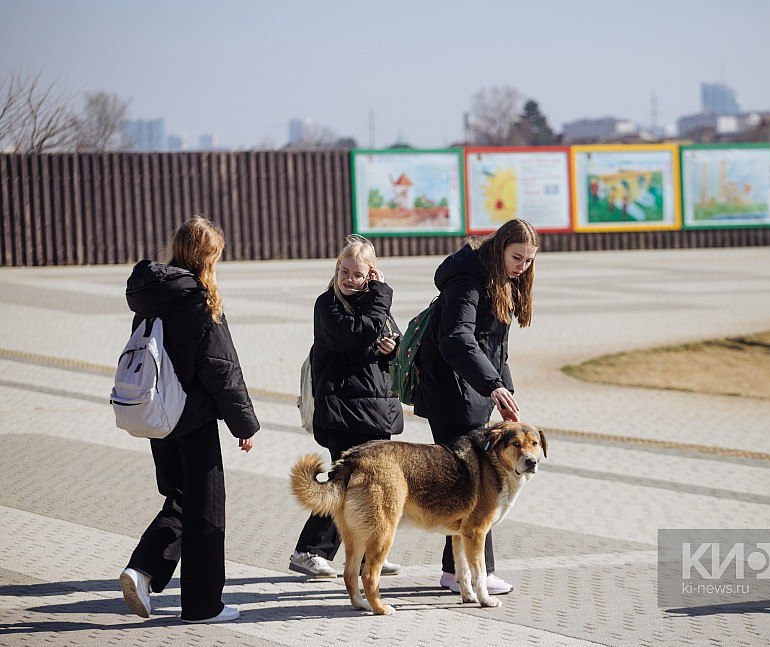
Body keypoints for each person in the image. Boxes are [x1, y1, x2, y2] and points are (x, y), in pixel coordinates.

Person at [118, 216, 259, 624]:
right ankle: (202, 606)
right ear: (207, 257)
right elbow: (221, 369)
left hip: (158, 418)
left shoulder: (152, 296)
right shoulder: (200, 301)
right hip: (193, 421)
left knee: (180, 499)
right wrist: (245, 426)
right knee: (206, 511)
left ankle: (143, 570)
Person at [412, 218, 539, 596]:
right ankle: (473, 574)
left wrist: (505, 393)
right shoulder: (467, 279)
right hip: (451, 392)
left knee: (472, 485)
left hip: (474, 390)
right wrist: (493, 385)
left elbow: (495, 346)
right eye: (517, 257)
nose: (522, 266)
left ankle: (456, 572)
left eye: (530, 261)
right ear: (499, 249)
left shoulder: (502, 281)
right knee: (479, 484)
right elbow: (458, 340)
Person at [288, 235, 405, 578]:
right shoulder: (328, 304)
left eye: (358, 273)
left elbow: (389, 339)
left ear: (371, 274)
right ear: (337, 269)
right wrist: (381, 298)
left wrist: (391, 347)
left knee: (372, 489)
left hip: (375, 408)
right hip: (343, 410)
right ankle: (309, 551)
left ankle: (371, 555)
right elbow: (352, 337)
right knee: (343, 483)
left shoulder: (374, 304)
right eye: (345, 271)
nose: (350, 279)